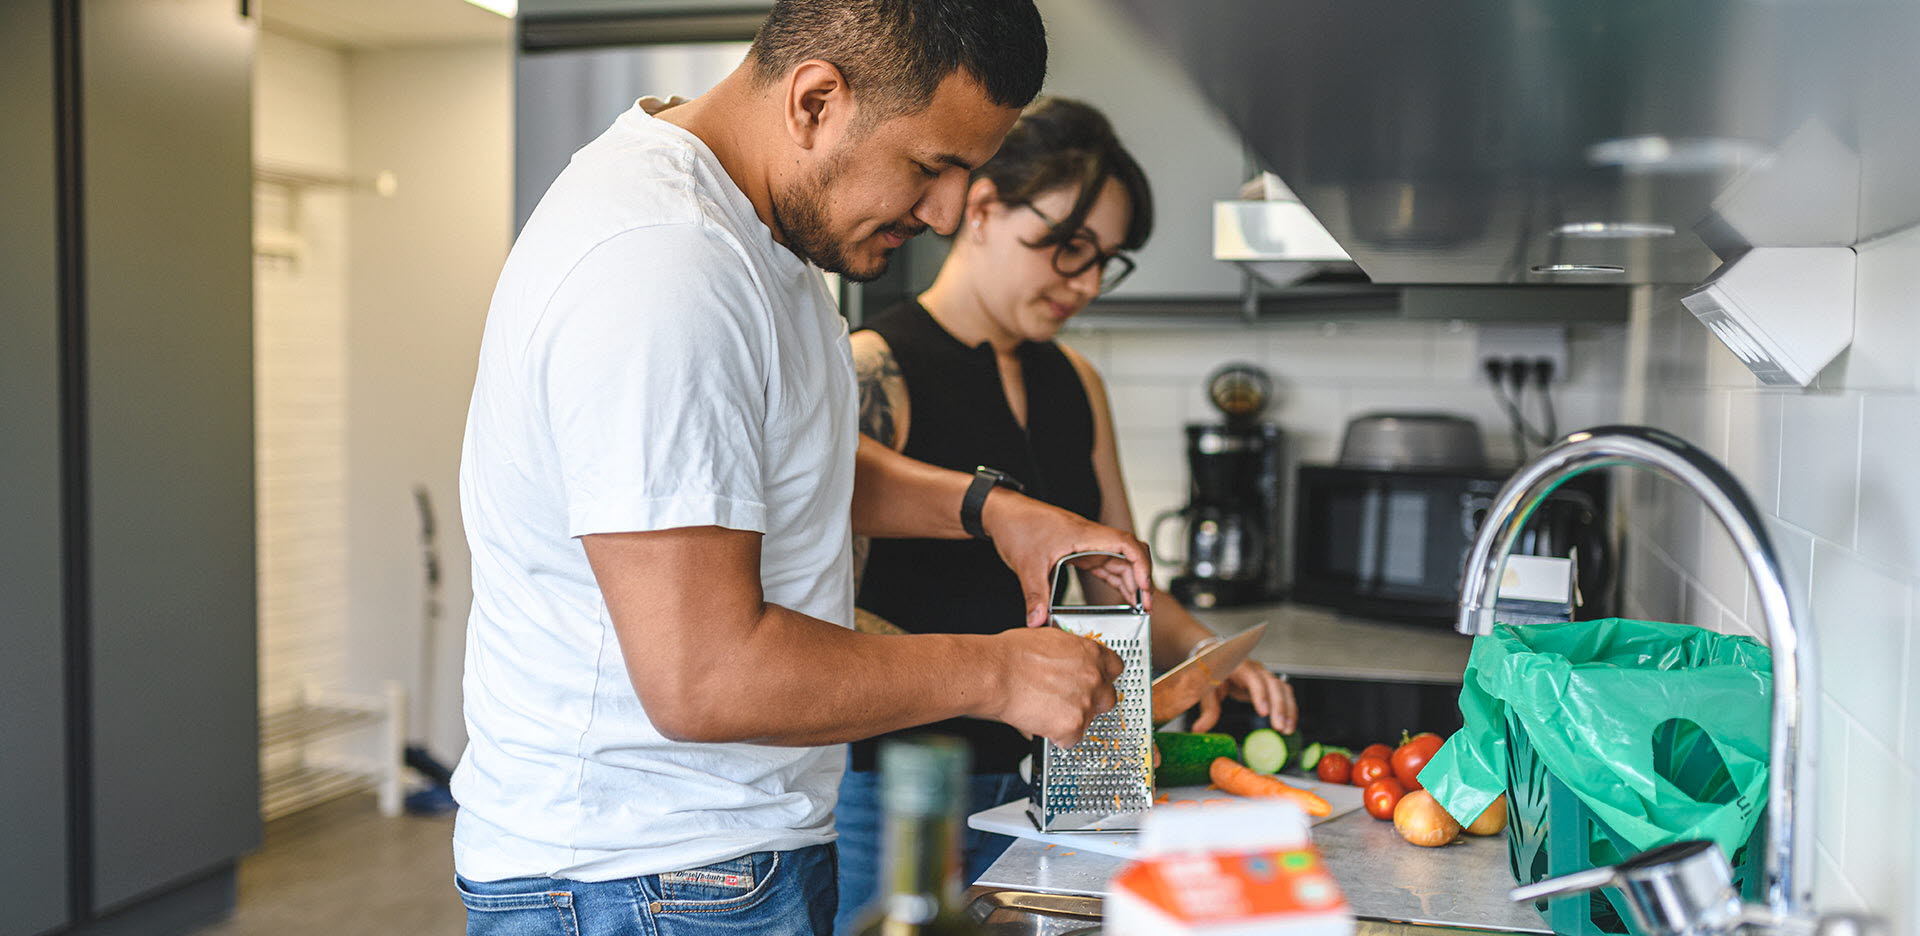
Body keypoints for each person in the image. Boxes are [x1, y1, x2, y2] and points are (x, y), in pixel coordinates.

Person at [450, 4, 1157, 935]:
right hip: (641, 880)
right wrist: (996, 675)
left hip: (707, 861)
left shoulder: (755, 232)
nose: (946, 213)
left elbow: (784, 458)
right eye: (930, 168)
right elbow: (703, 676)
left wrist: (992, 511)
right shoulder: (664, 267)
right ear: (816, 100)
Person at [833, 98, 1300, 933]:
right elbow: (826, 616)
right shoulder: (879, 369)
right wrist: (995, 674)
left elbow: (1117, 576)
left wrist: (1199, 652)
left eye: (1105, 261)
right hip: (903, 791)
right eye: (1068, 248)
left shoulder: (1075, 381)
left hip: (1061, 783)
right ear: (981, 207)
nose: (1084, 283)